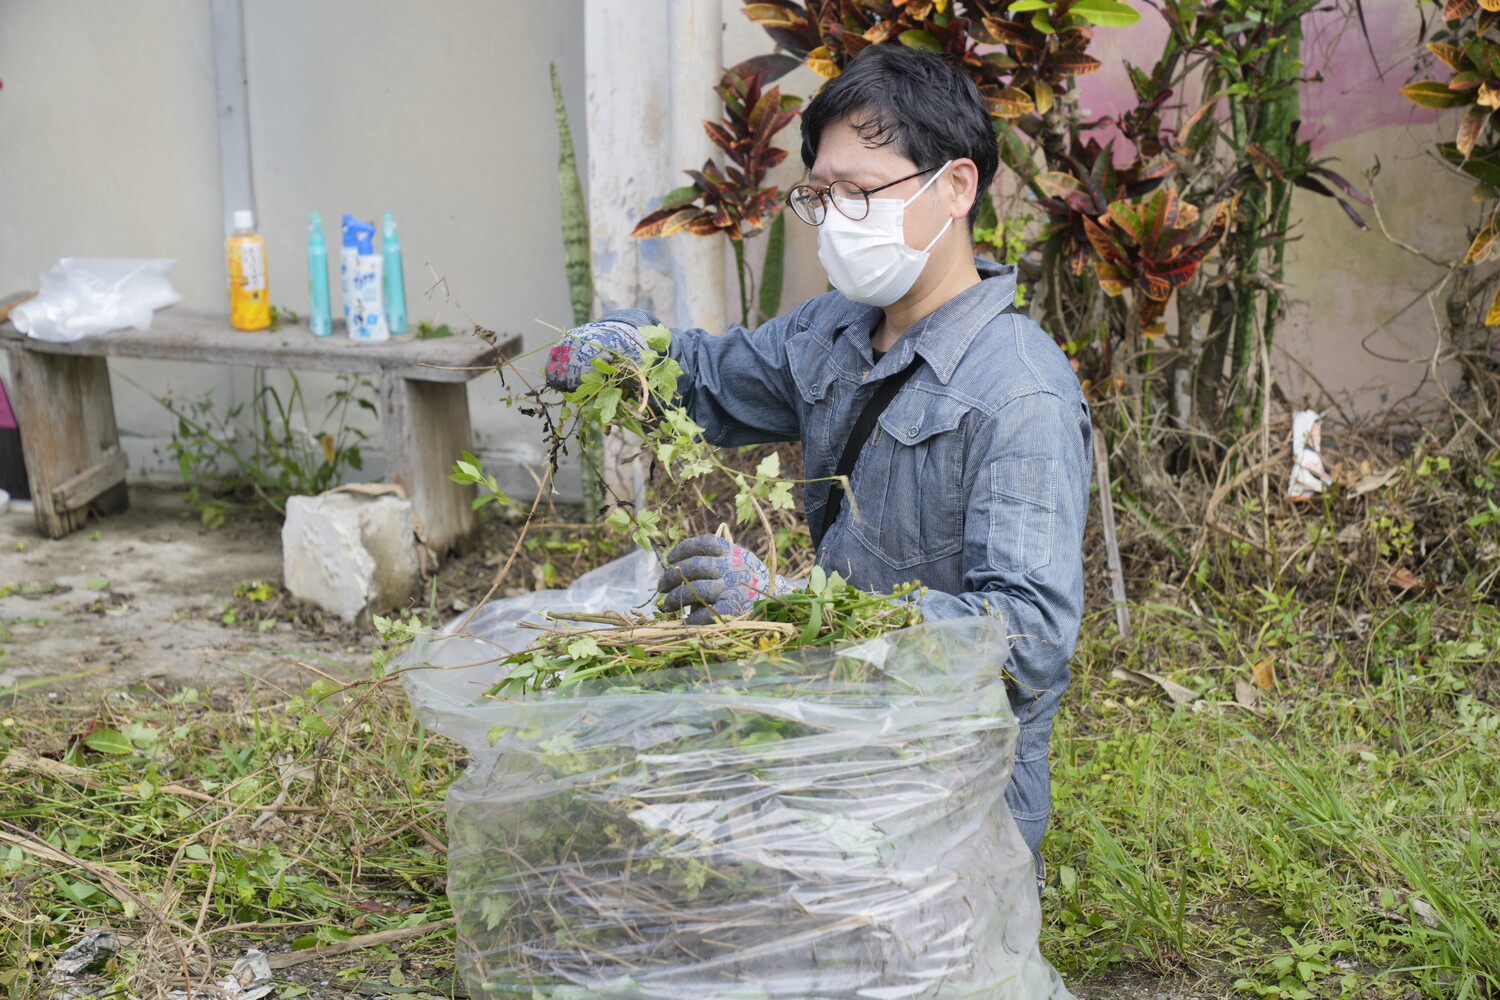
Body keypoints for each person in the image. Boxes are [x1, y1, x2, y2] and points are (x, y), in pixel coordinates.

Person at [545, 44, 1092, 890]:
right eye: (821, 194)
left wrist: (799, 613)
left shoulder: (1020, 395)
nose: (837, 218)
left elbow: (1028, 641)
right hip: (833, 725)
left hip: (953, 779)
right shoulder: (836, 330)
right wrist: (628, 358)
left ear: (955, 188)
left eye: (861, 192)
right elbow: (716, 380)